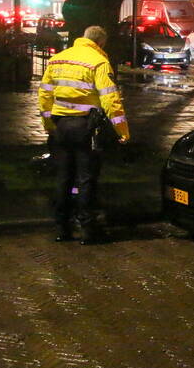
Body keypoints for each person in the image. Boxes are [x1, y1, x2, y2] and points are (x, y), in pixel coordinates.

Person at [38, 25, 129, 244]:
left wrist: (49, 125)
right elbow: (110, 100)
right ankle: (87, 230)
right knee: (86, 178)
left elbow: (44, 95)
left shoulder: (58, 59)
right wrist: (122, 131)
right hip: (85, 128)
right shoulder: (98, 61)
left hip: (60, 126)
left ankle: (62, 228)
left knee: (63, 177)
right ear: (101, 43)